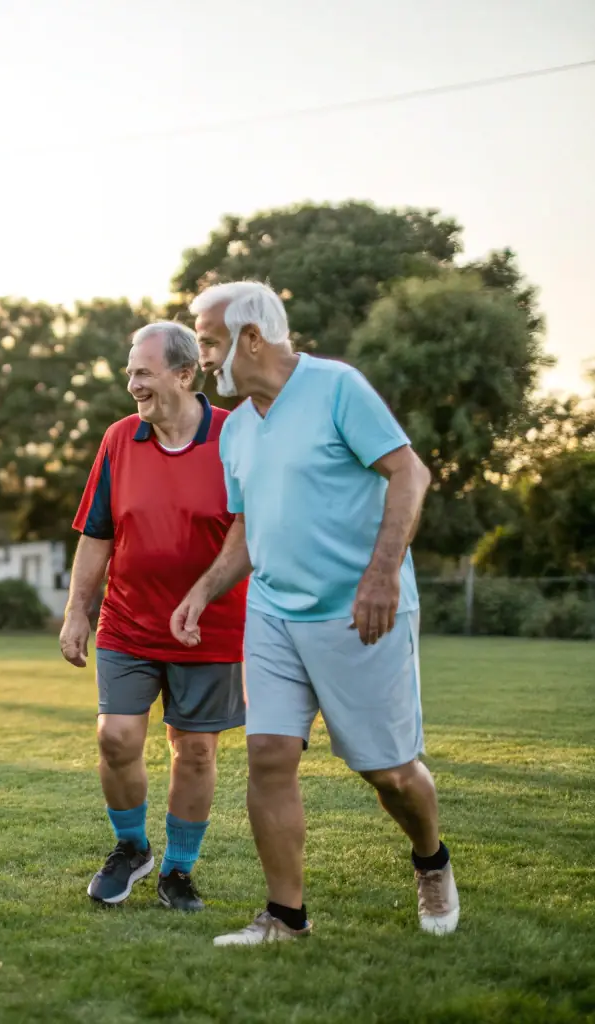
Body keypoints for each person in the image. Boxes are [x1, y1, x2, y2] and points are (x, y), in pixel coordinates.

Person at [172, 280, 458, 946]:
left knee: (387, 772)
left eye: (210, 342)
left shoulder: (337, 388)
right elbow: (248, 526)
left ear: (249, 337)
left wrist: (382, 574)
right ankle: (285, 918)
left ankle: (430, 859)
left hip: (360, 611)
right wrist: (203, 590)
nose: (204, 357)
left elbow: (408, 474)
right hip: (273, 613)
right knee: (267, 753)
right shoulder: (236, 429)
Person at [61, 322, 247, 912]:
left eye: (143, 372)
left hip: (212, 629)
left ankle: (178, 870)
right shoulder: (120, 439)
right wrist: (75, 613)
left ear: (185, 374)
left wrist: (206, 593)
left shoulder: (236, 436)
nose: (132, 384)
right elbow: (97, 535)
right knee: (116, 737)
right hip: (129, 622)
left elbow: (253, 530)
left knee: (194, 751)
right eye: (130, 372)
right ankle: (132, 847)